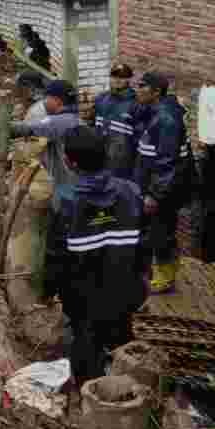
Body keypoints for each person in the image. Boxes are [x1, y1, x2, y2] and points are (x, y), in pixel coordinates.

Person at [45, 127, 148, 386]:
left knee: (86, 344)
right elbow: (144, 244)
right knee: (122, 342)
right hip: (126, 290)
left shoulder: (65, 200)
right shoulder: (131, 192)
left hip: (83, 298)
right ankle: (124, 387)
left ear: (70, 162)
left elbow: (56, 256)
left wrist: (48, 289)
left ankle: (90, 390)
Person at [134, 72, 191, 294]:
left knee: (161, 231)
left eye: (142, 86)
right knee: (158, 230)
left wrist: (154, 194)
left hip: (165, 189)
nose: (137, 90)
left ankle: (165, 277)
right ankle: (159, 269)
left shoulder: (166, 119)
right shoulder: (156, 111)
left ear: (156, 92)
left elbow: (167, 163)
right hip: (155, 184)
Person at [9, 79, 82, 209]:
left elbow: (22, 129)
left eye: (46, 98)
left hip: (67, 188)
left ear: (56, 100)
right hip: (77, 185)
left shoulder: (58, 122)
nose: (44, 102)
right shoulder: (76, 119)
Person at [94, 64, 140, 182]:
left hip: (123, 166)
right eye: (114, 76)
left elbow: (139, 137)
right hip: (100, 160)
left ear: (129, 79)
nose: (118, 80)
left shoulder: (136, 104)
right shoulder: (101, 99)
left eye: (122, 77)